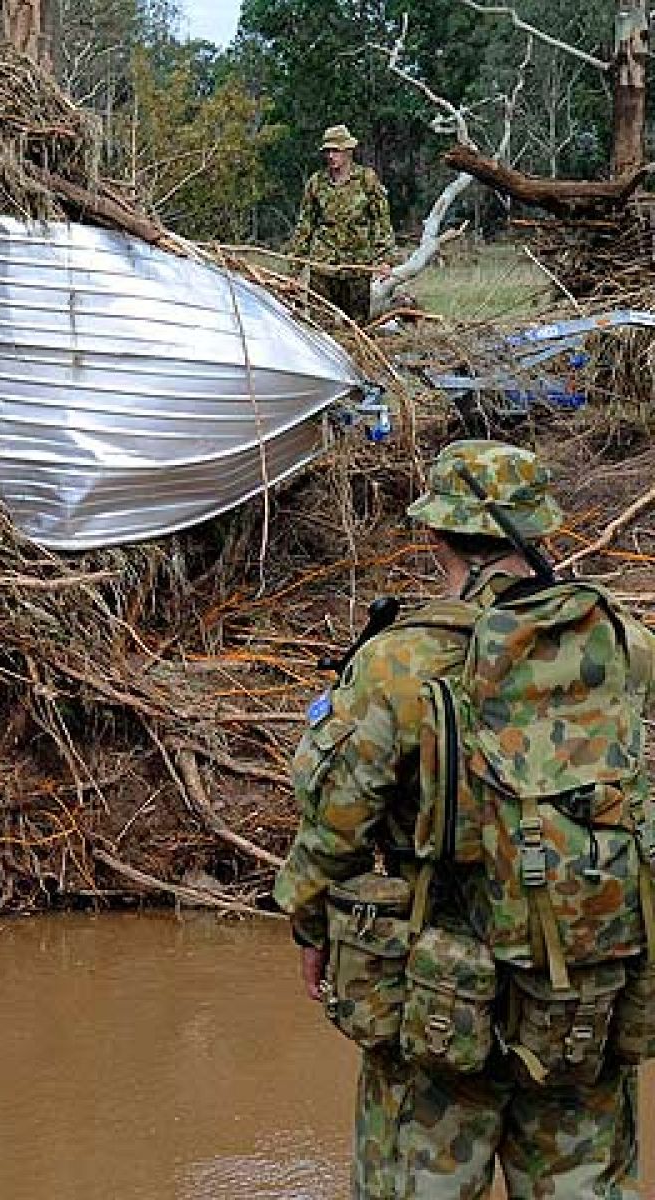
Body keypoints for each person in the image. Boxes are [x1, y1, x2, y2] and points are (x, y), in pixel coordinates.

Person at [274, 440, 653, 1198]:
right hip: (585, 990)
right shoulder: (625, 646)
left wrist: (309, 926)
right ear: (539, 530)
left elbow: (334, 823)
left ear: (436, 535)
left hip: (438, 995)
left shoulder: (401, 664)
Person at [289, 124, 396, 324]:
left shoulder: (366, 179)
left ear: (348, 151)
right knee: (320, 329)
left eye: (336, 150)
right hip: (323, 268)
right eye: (328, 151)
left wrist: (385, 260)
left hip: (357, 267)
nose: (331, 156)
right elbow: (305, 226)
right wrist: (295, 269)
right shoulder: (316, 182)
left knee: (356, 328)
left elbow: (382, 221)